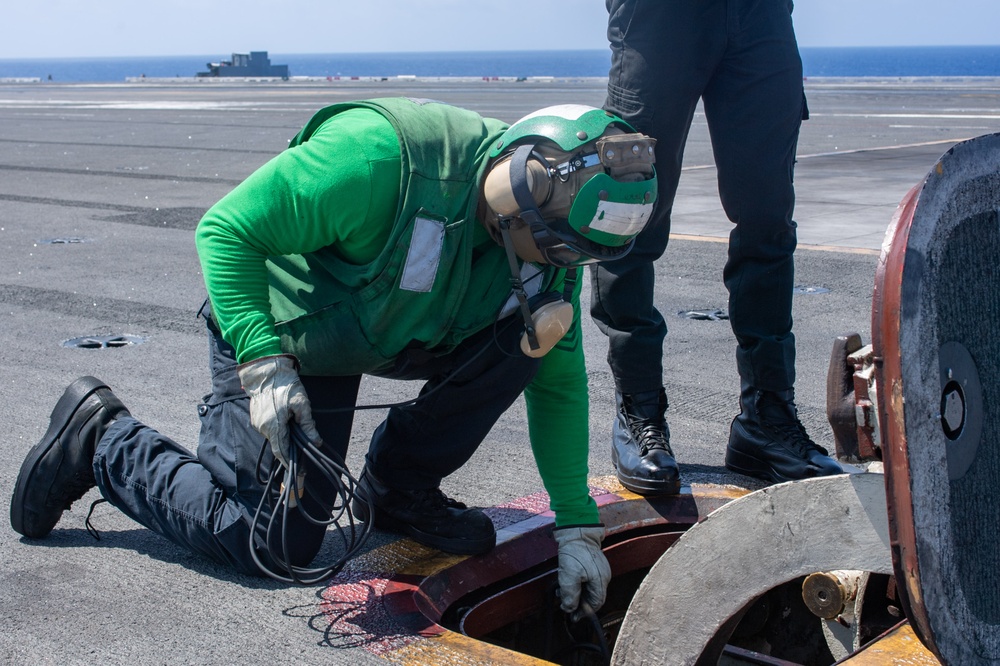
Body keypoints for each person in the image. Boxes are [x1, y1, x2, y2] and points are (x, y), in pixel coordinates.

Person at [10, 99, 658, 619]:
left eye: (573, 257)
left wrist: (577, 526)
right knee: (275, 544)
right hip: (290, 333)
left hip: (398, 327)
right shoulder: (377, 161)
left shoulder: (555, 250)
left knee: (531, 333)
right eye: (549, 246)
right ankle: (103, 441)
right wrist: (261, 361)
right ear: (521, 183)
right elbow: (227, 230)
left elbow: (558, 382)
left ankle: (398, 488)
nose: (556, 265)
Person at [593, 0, 843, 494]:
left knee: (768, 222)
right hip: (661, 16)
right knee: (631, 214)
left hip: (761, 13)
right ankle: (638, 411)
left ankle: (766, 418)